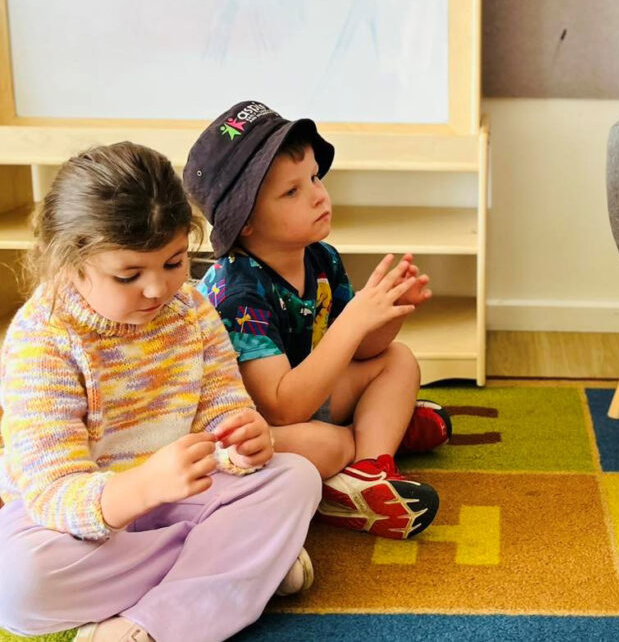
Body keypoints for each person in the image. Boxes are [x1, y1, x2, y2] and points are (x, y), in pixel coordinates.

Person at [0, 142, 321, 642]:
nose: (158, 290)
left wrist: (244, 442)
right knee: (16, 587)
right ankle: (241, 565)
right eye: (129, 275)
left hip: (186, 495)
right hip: (85, 519)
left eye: (173, 263)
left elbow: (224, 408)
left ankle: (148, 624)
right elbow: (52, 493)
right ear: (69, 264)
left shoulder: (190, 310)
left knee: (296, 477)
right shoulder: (41, 340)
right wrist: (143, 487)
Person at [185, 101, 451, 541]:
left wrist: (384, 313)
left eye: (313, 178)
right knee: (333, 445)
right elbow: (281, 405)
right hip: (250, 426)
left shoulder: (320, 258)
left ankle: (369, 470)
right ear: (244, 223)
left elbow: (363, 350)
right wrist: (354, 323)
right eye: (291, 192)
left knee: (398, 358)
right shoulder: (238, 292)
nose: (317, 194)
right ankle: (358, 454)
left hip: (308, 393)